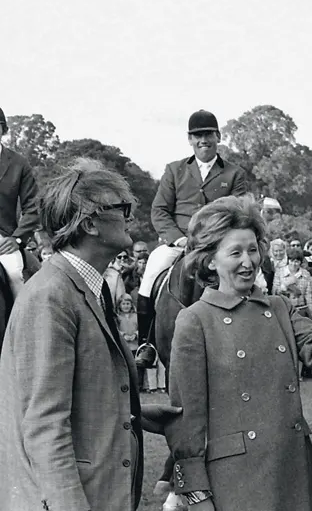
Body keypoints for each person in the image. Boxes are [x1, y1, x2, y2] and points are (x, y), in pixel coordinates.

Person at [0, 158, 182, 511]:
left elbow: (76, 390)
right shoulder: (51, 297)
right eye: (122, 207)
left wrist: (133, 413)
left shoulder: (83, 286)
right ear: (90, 223)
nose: (130, 215)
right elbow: (44, 426)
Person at [165, 195, 312, 511]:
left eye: (252, 249)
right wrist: (195, 495)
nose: (248, 261)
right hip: (235, 482)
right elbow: (186, 421)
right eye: (235, 252)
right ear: (210, 260)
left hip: (293, 470)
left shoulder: (279, 308)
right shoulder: (195, 319)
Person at [136, 110, 248, 345]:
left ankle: (254, 336)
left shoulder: (234, 173)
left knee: (256, 281)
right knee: (150, 275)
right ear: (190, 139)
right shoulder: (174, 170)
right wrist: (179, 239)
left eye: (207, 134)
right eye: (197, 135)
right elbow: (159, 211)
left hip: (217, 246)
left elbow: (240, 213)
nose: (203, 140)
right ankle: (147, 343)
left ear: (217, 136)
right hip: (178, 244)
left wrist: (217, 241)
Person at [0, 107, 40, 297]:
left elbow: (32, 208)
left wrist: (17, 239)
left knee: (15, 274)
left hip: (4, 238)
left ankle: (22, 324)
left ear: (4, 130)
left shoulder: (19, 163)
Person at [276, 248, 312, 318]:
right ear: (288, 260)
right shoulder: (280, 272)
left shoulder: (306, 274)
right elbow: (275, 292)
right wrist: (284, 286)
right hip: (284, 310)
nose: (293, 264)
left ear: (300, 262)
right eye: (291, 261)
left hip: (300, 310)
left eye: (296, 261)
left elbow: (309, 296)